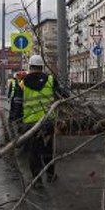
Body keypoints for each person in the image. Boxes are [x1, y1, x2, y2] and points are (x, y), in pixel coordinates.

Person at [10, 54, 66, 186]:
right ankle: (51, 175)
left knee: (34, 152)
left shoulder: (22, 84)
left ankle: (37, 180)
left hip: (30, 124)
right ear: (42, 67)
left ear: (30, 66)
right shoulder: (50, 80)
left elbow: (17, 104)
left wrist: (16, 122)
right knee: (48, 149)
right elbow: (62, 95)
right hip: (48, 122)